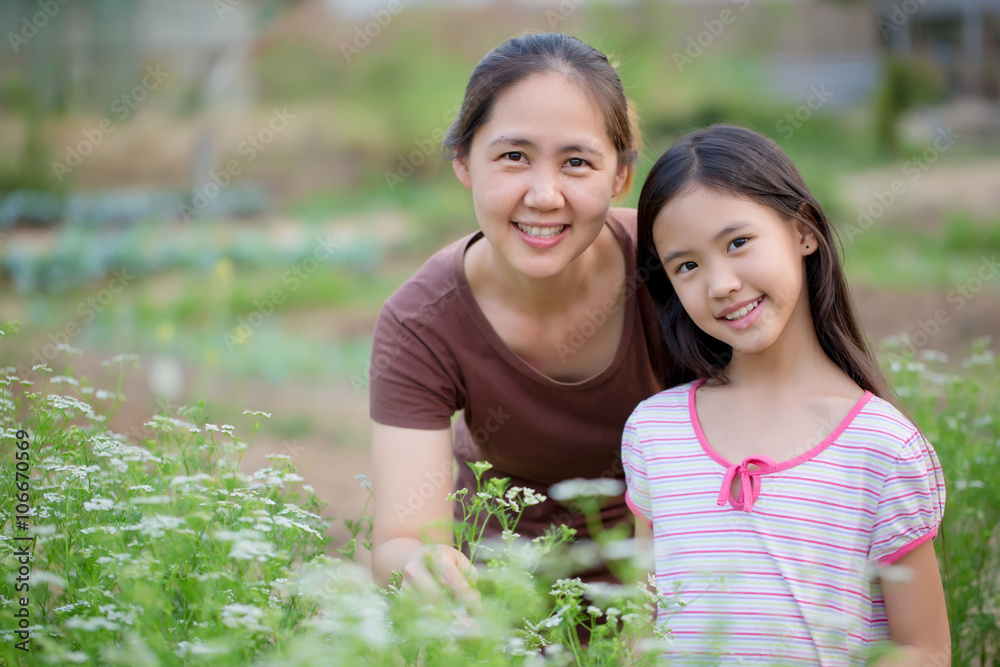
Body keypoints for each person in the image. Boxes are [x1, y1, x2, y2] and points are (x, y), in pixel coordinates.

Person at [624, 124, 949, 665]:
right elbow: (639, 630)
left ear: (802, 231)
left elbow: (925, 649)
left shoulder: (883, 447)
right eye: (688, 265)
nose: (721, 283)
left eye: (738, 243)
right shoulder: (655, 433)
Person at [369, 33, 670, 600]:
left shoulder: (673, 265)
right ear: (463, 161)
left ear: (621, 177)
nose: (544, 195)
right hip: (506, 602)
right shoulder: (421, 322)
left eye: (577, 162)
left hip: (680, 597)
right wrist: (427, 568)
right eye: (514, 157)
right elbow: (402, 538)